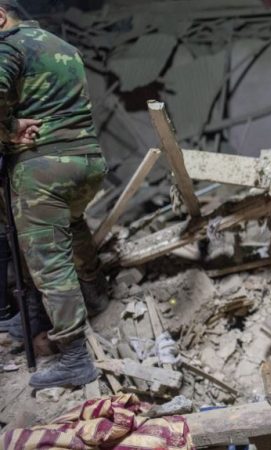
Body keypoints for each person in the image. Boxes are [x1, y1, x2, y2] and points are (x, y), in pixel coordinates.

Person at [0, 0, 109, 388]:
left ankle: (75, 358)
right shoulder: (61, 45)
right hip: (86, 162)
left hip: (42, 166)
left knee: (48, 261)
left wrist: (8, 129)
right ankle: (95, 294)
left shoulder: (8, 47)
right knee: (72, 226)